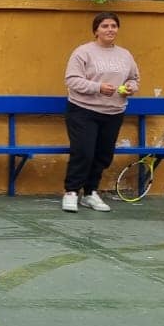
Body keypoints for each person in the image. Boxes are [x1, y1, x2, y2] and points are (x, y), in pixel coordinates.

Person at [62, 12, 139, 213]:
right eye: (105, 26)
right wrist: (98, 87)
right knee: (84, 152)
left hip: (114, 112)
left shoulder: (125, 55)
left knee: (103, 154)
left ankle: (90, 193)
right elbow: (72, 80)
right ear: (96, 30)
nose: (110, 29)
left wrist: (130, 87)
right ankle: (71, 192)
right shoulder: (83, 52)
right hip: (83, 110)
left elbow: (134, 78)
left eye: (113, 26)